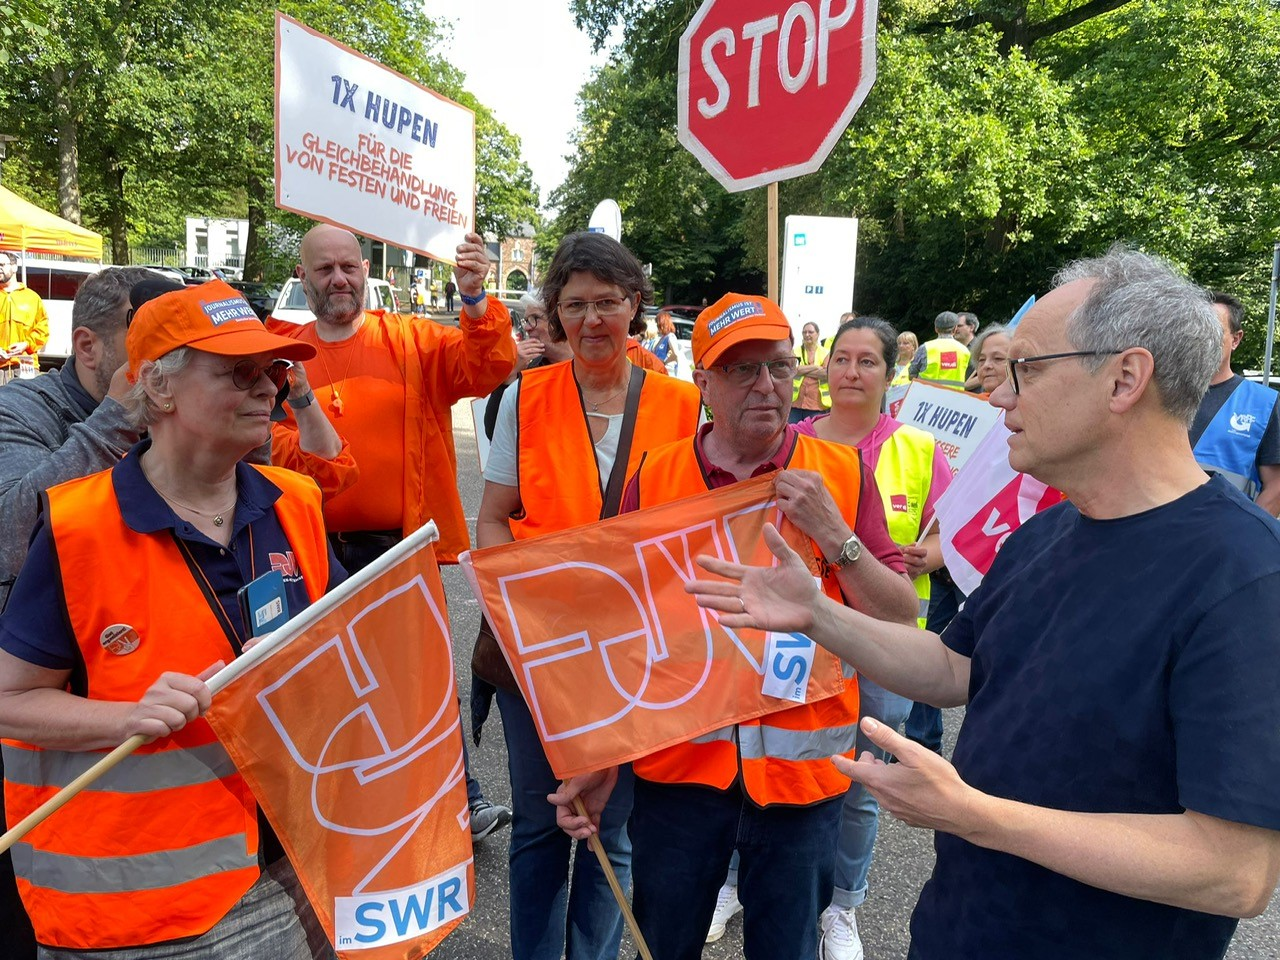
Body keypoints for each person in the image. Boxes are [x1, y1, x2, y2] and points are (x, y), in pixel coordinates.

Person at [688, 248, 1280, 960]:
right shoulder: (1050, 532)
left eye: (1027, 369)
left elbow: (1233, 872)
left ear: (1125, 379)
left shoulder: (1246, 575)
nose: (999, 396)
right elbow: (950, 665)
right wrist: (817, 611)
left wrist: (976, 816)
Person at [552, 294, 919, 960]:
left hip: (803, 784)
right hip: (681, 775)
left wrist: (838, 539)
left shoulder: (838, 473)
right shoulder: (657, 475)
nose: (766, 385)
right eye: (742, 370)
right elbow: (619, 629)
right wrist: (599, 760)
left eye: (778, 367)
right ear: (704, 382)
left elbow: (899, 614)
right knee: (663, 942)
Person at [0, 281, 347, 958]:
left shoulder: (295, 502)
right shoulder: (79, 527)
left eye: (271, 372)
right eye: (237, 374)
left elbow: (335, 656)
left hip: (292, 867)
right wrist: (123, 717)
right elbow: (9, 699)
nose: (267, 391)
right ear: (157, 389)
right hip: (135, 911)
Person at [476, 231, 703, 960]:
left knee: (614, 830)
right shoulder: (524, 396)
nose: (593, 320)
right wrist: (516, 611)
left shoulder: (681, 403)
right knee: (543, 825)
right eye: (575, 305)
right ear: (554, 315)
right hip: (537, 648)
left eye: (608, 302)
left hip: (636, 652)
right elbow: (492, 513)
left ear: (635, 305)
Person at [269, 224, 516, 837]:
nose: (339, 280)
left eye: (349, 266)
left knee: (419, 676)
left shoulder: (410, 339)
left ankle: (462, 796)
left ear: (365, 267)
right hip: (306, 551)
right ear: (303, 278)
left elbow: (490, 367)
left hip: (398, 546)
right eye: (324, 269)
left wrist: (475, 297)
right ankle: (342, 810)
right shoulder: (277, 352)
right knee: (324, 684)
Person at [793, 316, 952, 959]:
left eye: (867, 362)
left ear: (891, 374)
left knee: (864, 779)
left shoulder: (919, 449)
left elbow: (952, 537)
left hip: (887, 642)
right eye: (842, 359)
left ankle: (843, 907)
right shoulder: (792, 440)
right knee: (775, 761)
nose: (851, 373)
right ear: (825, 368)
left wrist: (928, 556)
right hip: (799, 638)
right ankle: (738, 880)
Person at [1190, 292, 1280, 516]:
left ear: (1236, 339)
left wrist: (1247, 536)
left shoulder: (1263, 404)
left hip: (1220, 540)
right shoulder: (1162, 393)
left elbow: (1276, 488)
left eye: (1215, 331)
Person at [483, 291, 572, 442]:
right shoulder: (529, 368)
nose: (528, 328)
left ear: (558, 320)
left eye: (535, 318)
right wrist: (510, 374)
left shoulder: (589, 365)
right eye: (526, 321)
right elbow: (493, 430)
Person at [0, 253, 49, 377]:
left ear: (15, 267)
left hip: (25, 366)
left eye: (2, 265)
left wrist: (26, 344)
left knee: (27, 397)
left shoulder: (32, 298)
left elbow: (43, 330)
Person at [908, 311, 969, 387]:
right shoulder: (964, 351)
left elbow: (911, 374)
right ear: (955, 329)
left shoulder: (926, 348)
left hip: (927, 396)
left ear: (936, 329)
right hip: (955, 396)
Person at [791, 321, 830, 423]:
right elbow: (793, 370)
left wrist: (802, 370)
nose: (807, 335)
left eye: (810, 332)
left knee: (812, 436)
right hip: (795, 404)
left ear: (817, 334)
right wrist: (817, 367)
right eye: (804, 332)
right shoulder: (795, 351)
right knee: (792, 434)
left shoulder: (825, 353)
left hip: (816, 406)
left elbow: (826, 374)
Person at [963, 323, 1011, 395]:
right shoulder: (972, 403)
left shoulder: (1030, 404)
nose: (986, 365)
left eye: (998, 358)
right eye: (981, 360)